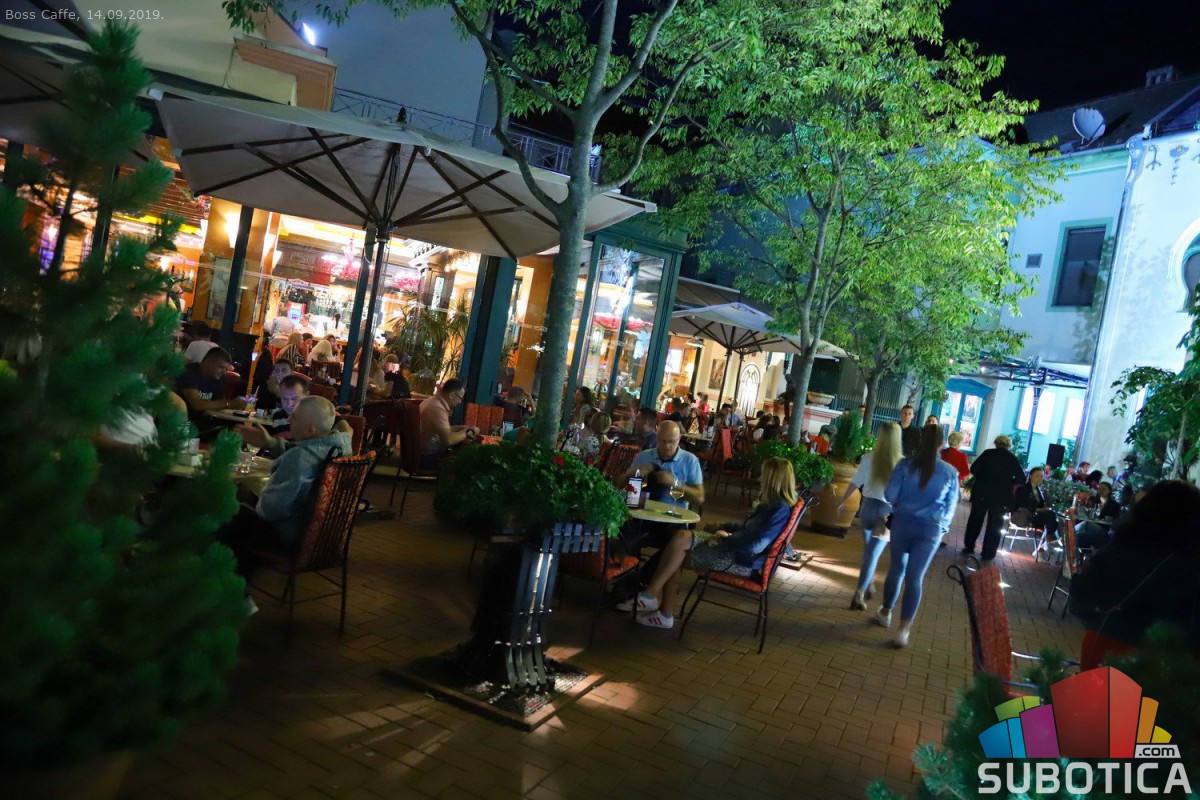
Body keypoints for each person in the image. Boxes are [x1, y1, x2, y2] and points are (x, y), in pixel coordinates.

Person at [631, 458, 798, 630]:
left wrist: (724, 538)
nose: (759, 478)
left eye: (763, 475)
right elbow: (747, 531)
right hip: (737, 552)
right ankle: (660, 609)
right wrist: (722, 526)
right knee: (677, 546)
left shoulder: (779, 510)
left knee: (679, 543)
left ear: (772, 479)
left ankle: (653, 599)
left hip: (743, 562)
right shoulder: (772, 505)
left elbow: (755, 545)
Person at [1070, 480, 1200, 668]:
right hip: (1162, 657)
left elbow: (1082, 596)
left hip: (1106, 640)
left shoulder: (1124, 541)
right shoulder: (1190, 560)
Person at [222, 396, 353, 575]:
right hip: (323, 540)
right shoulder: (341, 447)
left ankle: (234, 580)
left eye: (294, 417)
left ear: (310, 430)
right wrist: (270, 442)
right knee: (244, 496)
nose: (289, 420)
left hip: (291, 537)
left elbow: (270, 511)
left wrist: (260, 491)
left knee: (230, 509)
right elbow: (312, 448)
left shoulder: (298, 458)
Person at [872, 425, 960, 647]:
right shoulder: (950, 472)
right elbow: (951, 506)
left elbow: (890, 494)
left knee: (896, 569)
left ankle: (886, 611)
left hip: (903, 523)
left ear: (920, 440)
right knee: (915, 577)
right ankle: (903, 630)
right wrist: (942, 527)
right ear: (942, 443)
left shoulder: (905, 465)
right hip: (930, 528)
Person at [841, 422, 903, 610]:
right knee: (872, 554)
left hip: (867, 507)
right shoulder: (901, 462)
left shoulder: (869, 457)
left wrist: (842, 500)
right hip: (885, 512)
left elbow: (856, 481)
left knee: (869, 552)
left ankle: (868, 582)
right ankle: (859, 594)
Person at [961, 435, 1026, 562]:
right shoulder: (1012, 459)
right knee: (995, 525)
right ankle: (988, 553)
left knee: (975, 520)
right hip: (1001, 497)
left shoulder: (987, 454)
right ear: (1008, 446)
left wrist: (984, 476)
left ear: (996, 443)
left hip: (981, 493)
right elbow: (1021, 479)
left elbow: (974, 469)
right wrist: (1009, 482)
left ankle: (969, 546)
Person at [419, 378, 478, 469]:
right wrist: (470, 431)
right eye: (460, 398)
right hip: (428, 458)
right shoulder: (438, 409)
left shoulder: (431, 400)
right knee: (470, 462)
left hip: (421, 452)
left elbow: (437, 429)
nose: (460, 402)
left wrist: (460, 428)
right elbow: (448, 440)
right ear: (452, 395)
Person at [174, 347, 244, 423]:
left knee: (238, 426)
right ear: (207, 362)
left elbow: (220, 403)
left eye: (226, 369)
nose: (224, 372)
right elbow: (196, 404)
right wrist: (229, 404)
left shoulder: (215, 377)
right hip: (184, 422)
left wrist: (237, 405)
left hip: (205, 421)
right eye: (221, 367)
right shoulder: (190, 372)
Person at [1014, 466, 1059, 539]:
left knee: (1053, 518)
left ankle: (1049, 537)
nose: (1040, 479)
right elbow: (1021, 504)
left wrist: (1047, 504)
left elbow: (1040, 505)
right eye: (1037, 476)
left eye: (1041, 477)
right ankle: (1049, 538)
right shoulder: (1024, 489)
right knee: (1051, 516)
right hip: (1025, 516)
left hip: (1035, 516)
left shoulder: (1038, 490)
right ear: (1031, 476)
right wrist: (1038, 509)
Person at [1075, 480, 1122, 549]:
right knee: (1082, 529)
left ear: (1109, 491)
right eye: (1099, 489)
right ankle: (1076, 541)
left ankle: (1071, 535)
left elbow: (1115, 520)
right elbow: (1085, 512)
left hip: (1104, 528)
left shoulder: (1115, 505)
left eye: (1103, 489)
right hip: (1091, 524)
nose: (1100, 491)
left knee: (1086, 524)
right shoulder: (1093, 500)